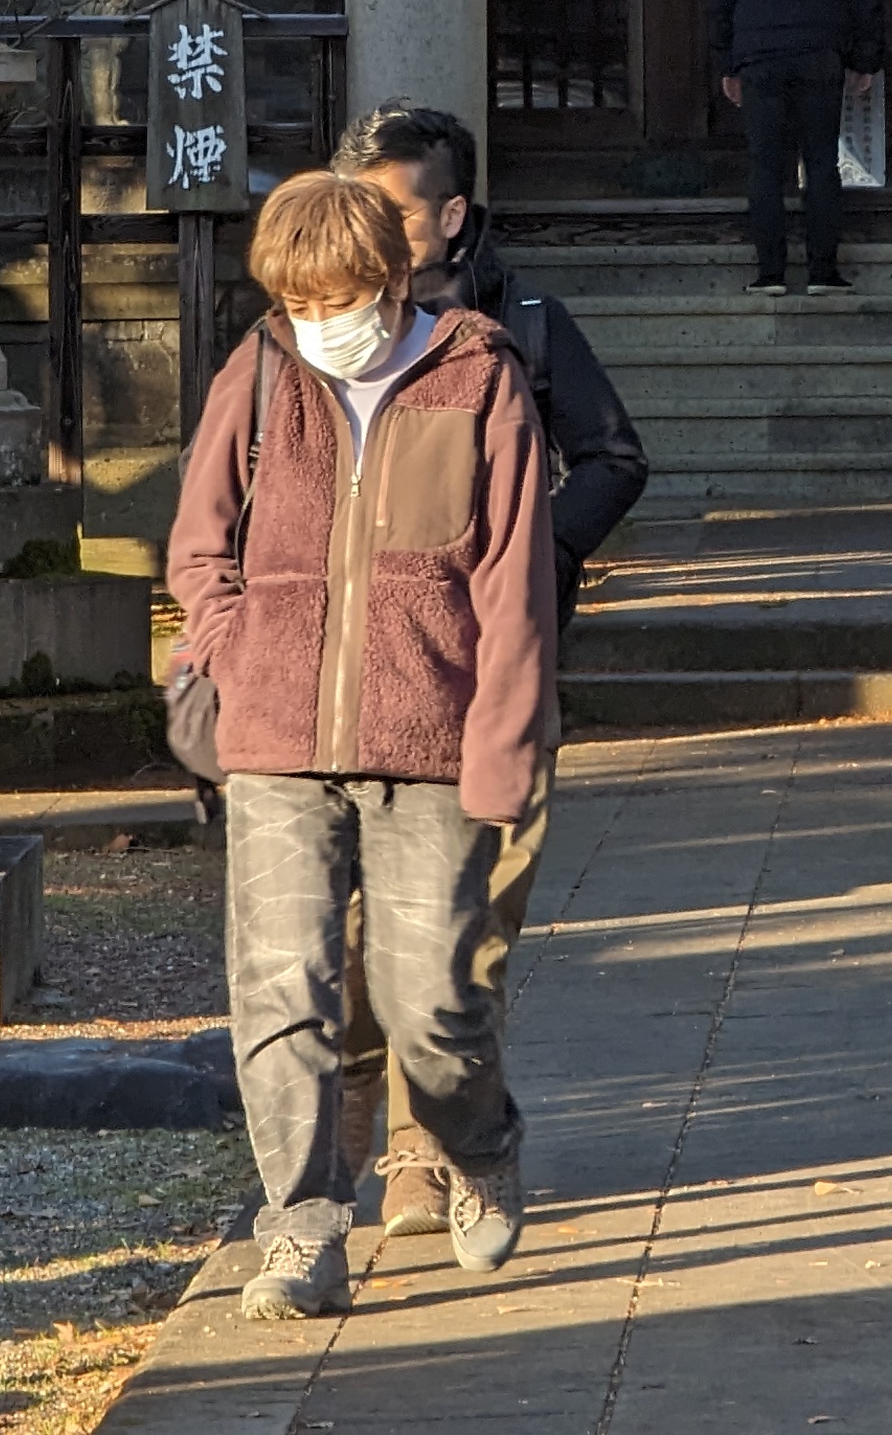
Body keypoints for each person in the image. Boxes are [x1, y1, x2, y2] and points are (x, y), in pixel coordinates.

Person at [168, 172, 556, 1320]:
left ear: (391, 278)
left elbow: (514, 584)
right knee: (282, 988)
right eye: (295, 299)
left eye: (335, 295)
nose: (316, 318)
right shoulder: (263, 370)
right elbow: (200, 545)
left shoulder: (479, 379)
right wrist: (235, 652)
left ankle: (477, 1146)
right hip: (278, 741)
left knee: (431, 998)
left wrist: (502, 746)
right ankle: (298, 1231)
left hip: (431, 737)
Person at [328, 98, 649, 1239]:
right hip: (355, 678)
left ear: (452, 215)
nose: (372, 235)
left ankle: (429, 1150)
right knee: (354, 927)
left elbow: (616, 458)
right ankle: (354, 1103)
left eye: (397, 213)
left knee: (467, 930)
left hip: (494, 678)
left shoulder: (524, 323)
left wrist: (538, 552)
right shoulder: (312, 334)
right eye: (355, 208)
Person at [705, 0, 886, 292]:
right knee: (821, 161)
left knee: (764, 163)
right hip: (820, 52)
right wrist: (866, 57)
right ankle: (824, 271)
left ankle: (770, 273)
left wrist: (727, 60)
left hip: (759, 55)